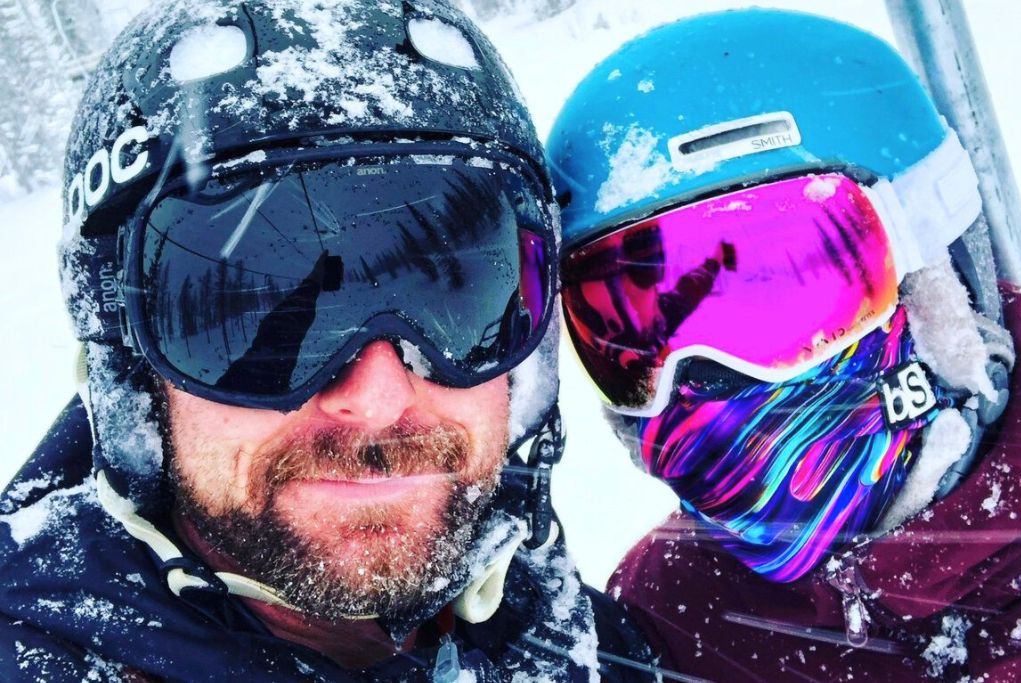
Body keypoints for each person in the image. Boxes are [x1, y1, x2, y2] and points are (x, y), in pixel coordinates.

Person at [0, 1, 656, 680]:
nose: (377, 399)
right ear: (129, 372)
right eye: (250, 314)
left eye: (459, 297)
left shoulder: (591, 643)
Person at [548, 9, 1021, 681]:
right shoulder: (676, 611)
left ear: (935, 295)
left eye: (774, 300)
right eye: (630, 334)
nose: (701, 380)